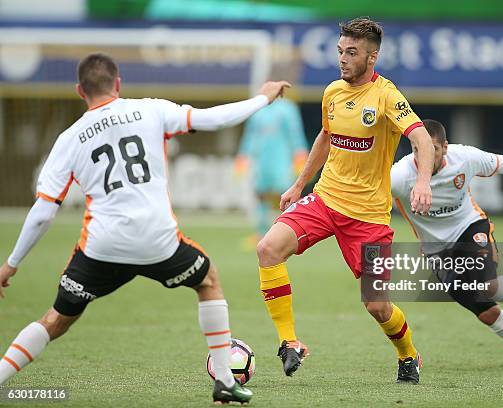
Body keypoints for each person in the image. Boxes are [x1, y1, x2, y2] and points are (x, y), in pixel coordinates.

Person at [0, 52, 290, 404]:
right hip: (157, 241)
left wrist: (11, 264)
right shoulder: (150, 109)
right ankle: (225, 382)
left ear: (80, 91)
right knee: (208, 279)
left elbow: (44, 212)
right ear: (118, 84)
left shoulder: (69, 138)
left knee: (56, 319)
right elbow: (214, 119)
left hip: (102, 246)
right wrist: (263, 96)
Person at [256, 18, 435, 384]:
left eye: (351, 53)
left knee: (378, 306)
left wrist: (422, 182)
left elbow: (423, 141)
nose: (342, 59)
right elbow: (325, 135)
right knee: (268, 248)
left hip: (368, 216)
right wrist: (299, 185)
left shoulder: (387, 96)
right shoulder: (333, 92)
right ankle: (289, 342)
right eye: (340, 51)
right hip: (325, 200)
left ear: (372, 57)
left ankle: (408, 354)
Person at [390, 119, 503, 372]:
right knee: (488, 314)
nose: (423, 155)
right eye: (416, 148)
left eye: (431, 148)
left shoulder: (464, 158)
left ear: (445, 148)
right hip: (437, 251)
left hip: (470, 227)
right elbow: (366, 194)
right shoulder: (399, 176)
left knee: (488, 285)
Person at [235, 97, 308, 242]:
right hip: (261, 161)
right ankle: (261, 233)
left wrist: (300, 154)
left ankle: (290, 232)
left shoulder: (287, 109)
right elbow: (250, 137)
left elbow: (295, 134)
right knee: (260, 194)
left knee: (284, 196)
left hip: (281, 160)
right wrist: (243, 157)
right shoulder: (258, 111)